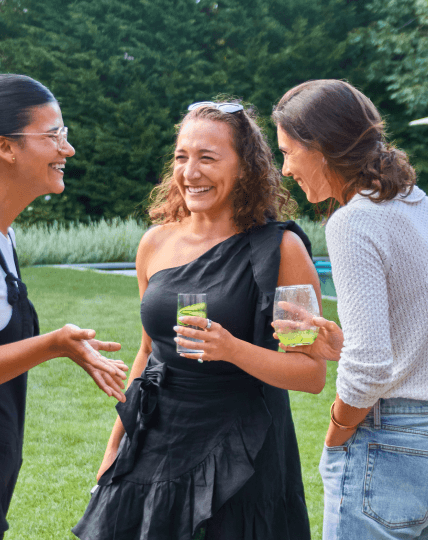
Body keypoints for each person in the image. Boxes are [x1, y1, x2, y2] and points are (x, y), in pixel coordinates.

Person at [73, 100, 325, 540]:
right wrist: (116, 443)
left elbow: (310, 372)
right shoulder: (154, 244)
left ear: (246, 167)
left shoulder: (281, 251)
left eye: (207, 158)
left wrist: (232, 349)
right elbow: (149, 351)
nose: (190, 172)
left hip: (241, 451)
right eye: (181, 157)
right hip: (159, 440)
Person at [0, 74, 129, 540]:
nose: (67, 149)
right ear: (6, 147)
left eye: (65, 134)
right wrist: (53, 344)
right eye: (53, 135)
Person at [271, 79, 428, 539]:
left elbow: (371, 372)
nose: (283, 169)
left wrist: (337, 434)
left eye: (288, 151)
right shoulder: (427, 208)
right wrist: (344, 344)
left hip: (389, 448)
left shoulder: (353, 221)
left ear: (320, 147)